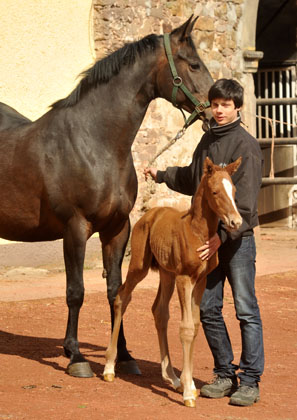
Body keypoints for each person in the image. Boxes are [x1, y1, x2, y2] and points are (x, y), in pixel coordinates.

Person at [144, 78, 264, 407]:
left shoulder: (246, 146)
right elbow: (193, 179)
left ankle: (250, 380)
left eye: (226, 105)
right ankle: (225, 374)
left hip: (236, 242)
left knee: (245, 310)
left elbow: (247, 205)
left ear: (237, 107)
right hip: (206, 244)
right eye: (215, 104)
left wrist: (219, 238)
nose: (220, 110)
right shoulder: (208, 141)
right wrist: (161, 174)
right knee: (209, 309)